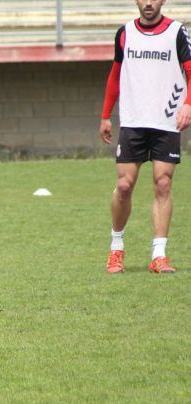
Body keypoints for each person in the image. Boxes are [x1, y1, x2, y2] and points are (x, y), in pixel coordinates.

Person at [100, 0, 191, 273]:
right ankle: (116, 249)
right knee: (125, 185)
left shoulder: (177, 32)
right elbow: (115, 76)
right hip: (133, 122)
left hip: (166, 122)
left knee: (163, 184)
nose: (148, 2)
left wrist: (187, 104)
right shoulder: (125, 32)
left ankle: (159, 256)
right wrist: (106, 114)